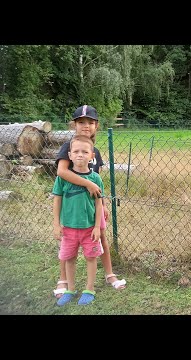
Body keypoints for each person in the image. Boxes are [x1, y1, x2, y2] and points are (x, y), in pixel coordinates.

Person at [53, 105, 126, 298]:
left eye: (90, 122)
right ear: (74, 125)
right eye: (81, 122)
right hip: (73, 207)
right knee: (68, 242)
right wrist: (87, 184)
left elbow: (97, 184)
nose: (86, 126)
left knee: (100, 235)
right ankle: (63, 279)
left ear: (96, 126)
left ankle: (109, 274)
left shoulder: (95, 152)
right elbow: (62, 172)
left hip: (92, 206)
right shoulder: (69, 147)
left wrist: (103, 206)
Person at [53, 135, 104, 305]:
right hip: (68, 228)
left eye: (85, 151)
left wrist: (97, 227)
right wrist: (56, 224)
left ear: (92, 156)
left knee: (91, 258)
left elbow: (98, 204)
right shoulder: (62, 178)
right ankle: (70, 289)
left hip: (89, 229)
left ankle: (89, 289)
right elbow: (57, 200)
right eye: (76, 151)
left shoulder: (95, 179)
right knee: (69, 258)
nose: (80, 155)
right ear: (69, 154)